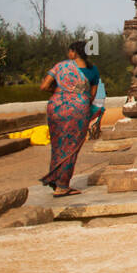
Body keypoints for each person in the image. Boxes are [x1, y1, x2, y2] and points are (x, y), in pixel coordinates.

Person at [39, 44, 94, 196]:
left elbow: (43, 86)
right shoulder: (91, 70)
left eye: (69, 51)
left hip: (57, 106)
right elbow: (92, 96)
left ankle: (56, 180)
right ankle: (62, 184)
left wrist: (59, 90)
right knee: (72, 145)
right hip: (79, 107)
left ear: (74, 52)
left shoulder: (60, 66)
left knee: (58, 144)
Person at [71, 40, 106, 140]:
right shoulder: (93, 68)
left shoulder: (69, 69)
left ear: (75, 53)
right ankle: (93, 124)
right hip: (91, 101)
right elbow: (96, 91)